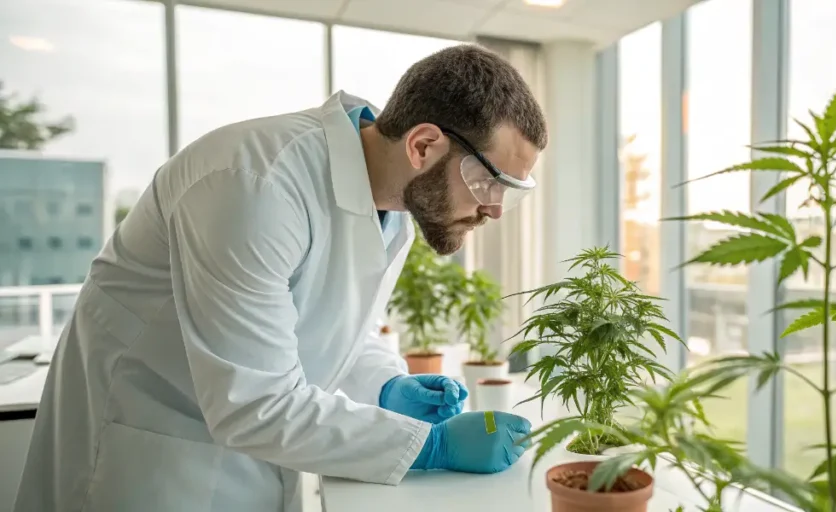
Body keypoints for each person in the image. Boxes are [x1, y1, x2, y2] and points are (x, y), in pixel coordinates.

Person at [14, 44, 547, 512]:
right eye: (487, 182)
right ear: (423, 145)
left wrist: (386, 387)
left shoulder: (392, 212)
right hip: (149, 463)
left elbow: (336, 330)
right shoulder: (253, 184)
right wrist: (429, 447)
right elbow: (254, 403)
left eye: (511, 192)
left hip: (246, 462)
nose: (494, 210)